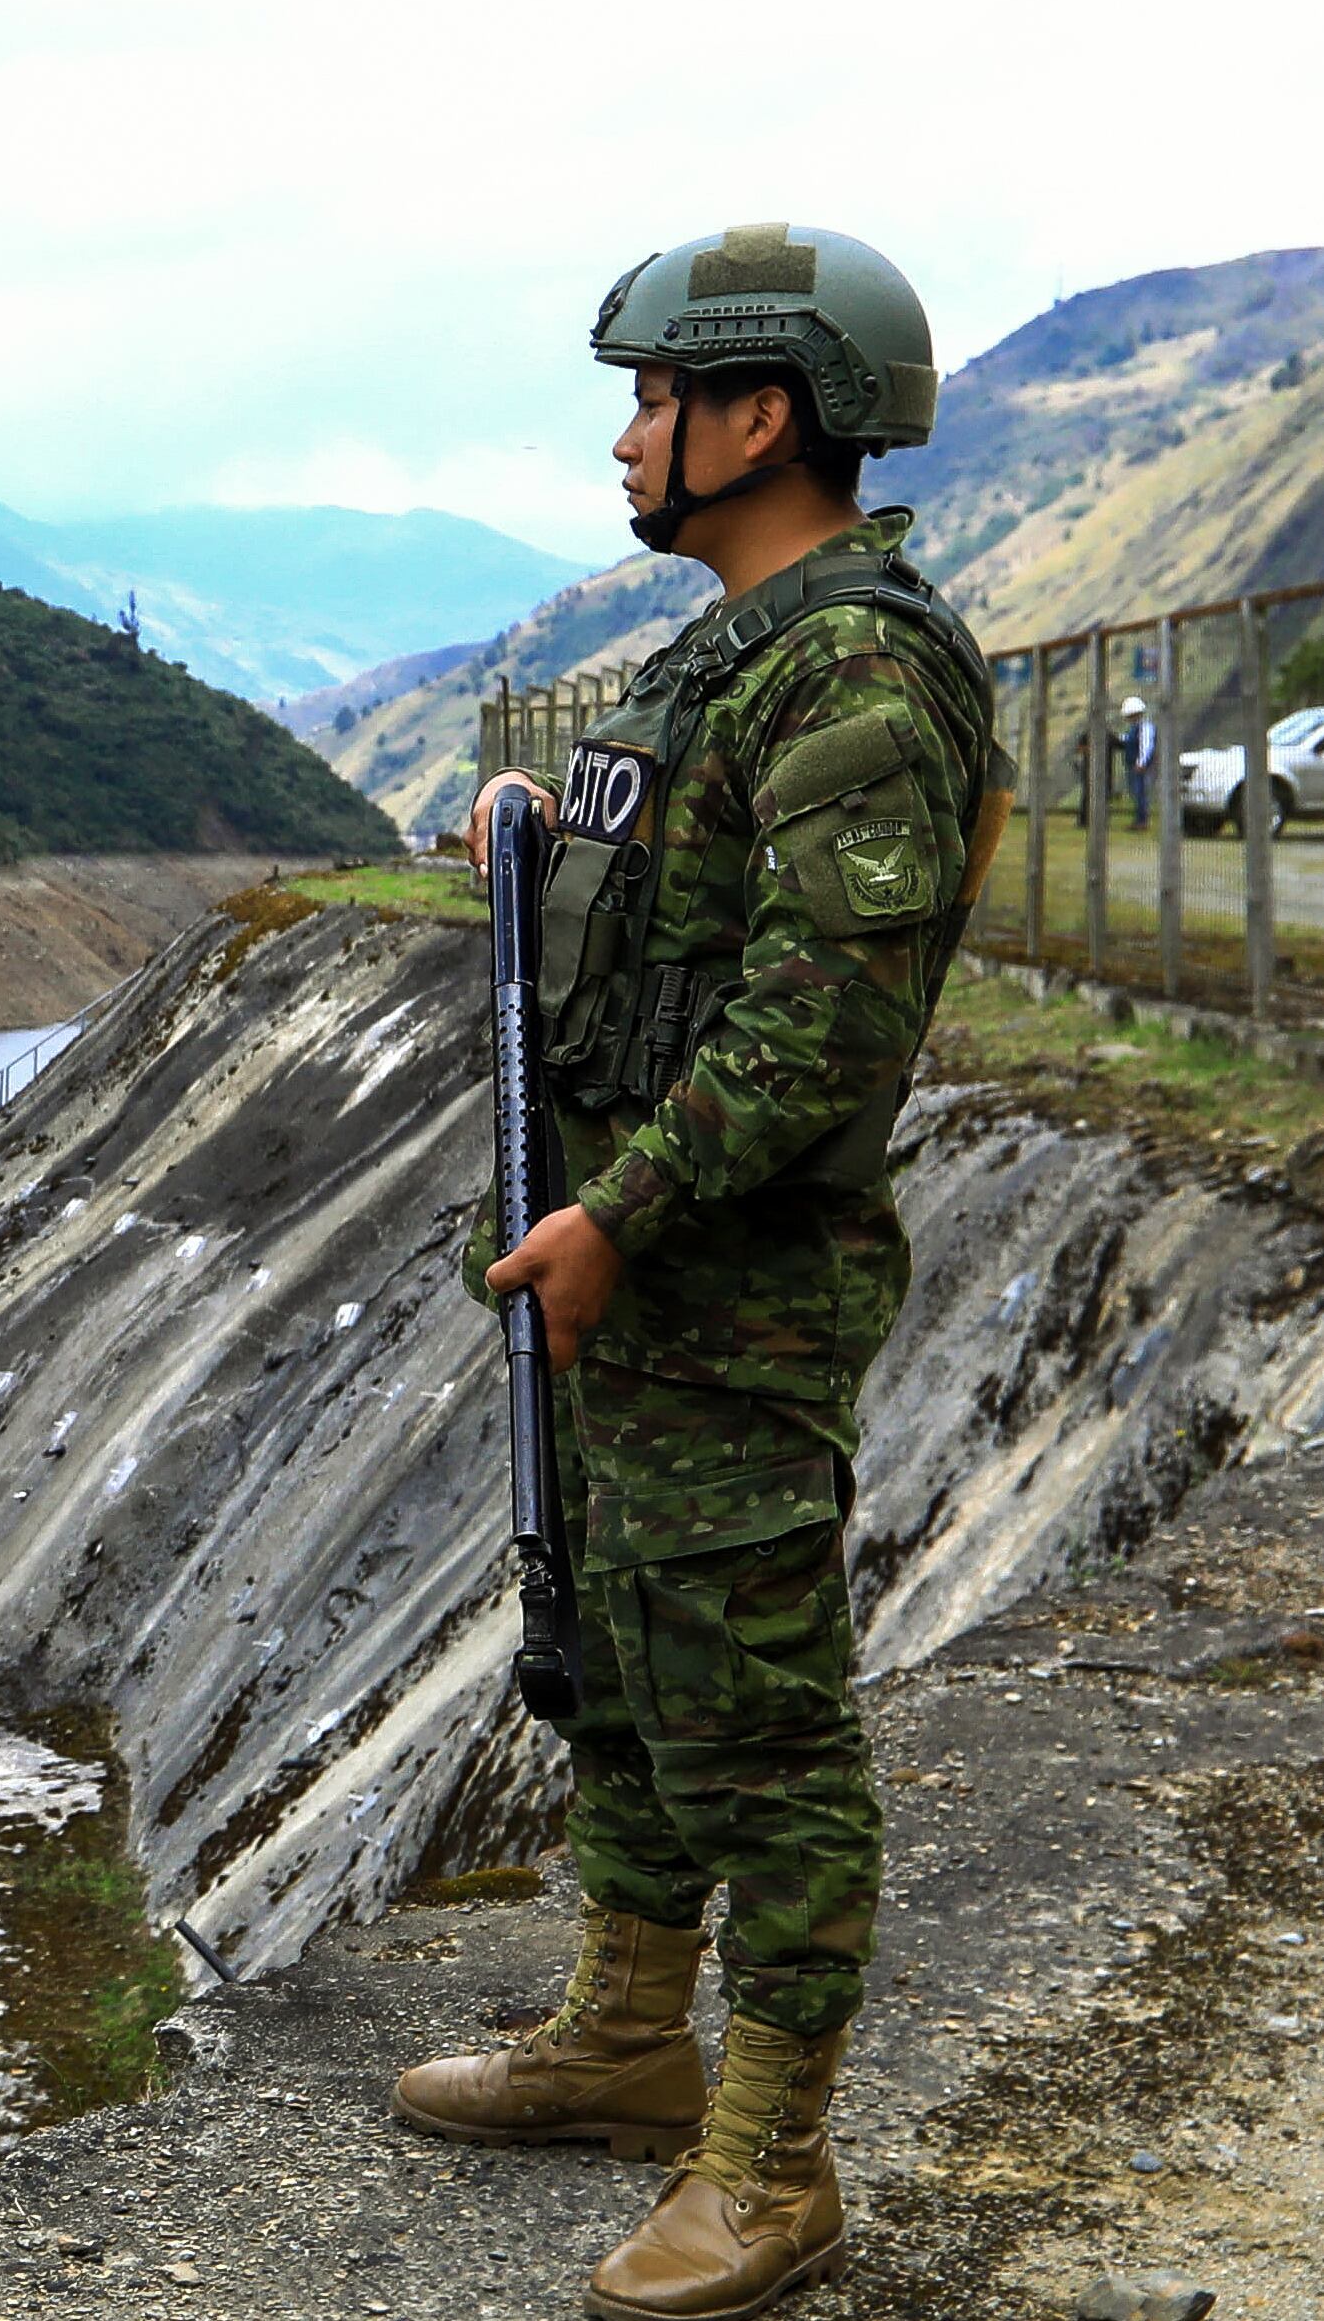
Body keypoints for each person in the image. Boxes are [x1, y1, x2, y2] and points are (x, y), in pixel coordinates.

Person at [402, 225, 1007, 2321]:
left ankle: (773, 2159)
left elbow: (820, 1019)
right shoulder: (721, 658)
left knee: (762, 1717)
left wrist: (619, 1215)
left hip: (719, 1289)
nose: (628, 432)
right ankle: (628, 2031)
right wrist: (536, 838)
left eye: (659, 395)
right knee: (635, 1677)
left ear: (763, 415)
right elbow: (673, 909)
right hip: (634, 1285)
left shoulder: (856, 668)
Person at [1116, 693, 1157, 831]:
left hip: (1139, 766)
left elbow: (1147, 745)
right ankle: (1139, 819)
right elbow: (1128, 739)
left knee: (1140, 792)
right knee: (1135, 792)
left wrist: (1141, 762)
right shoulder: (1135, 728)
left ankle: (1142, 821)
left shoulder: (1145, 727)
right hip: (1133, 765)